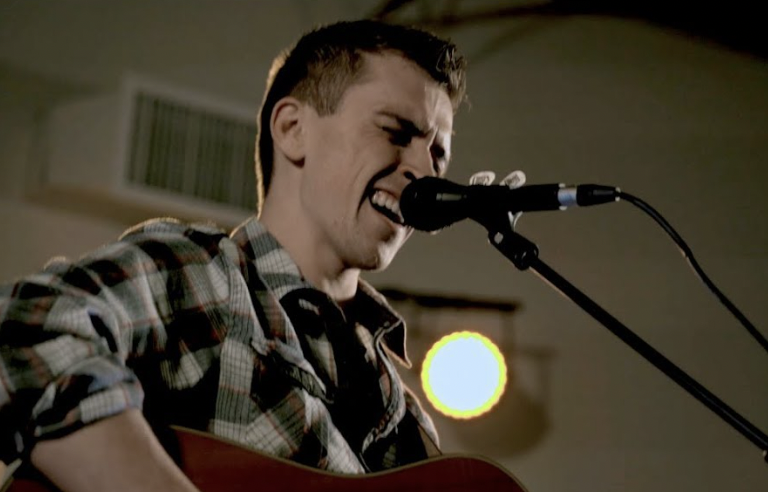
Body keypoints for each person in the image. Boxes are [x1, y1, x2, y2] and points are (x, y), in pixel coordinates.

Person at [0, 19, 466, 492]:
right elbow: (27, 328)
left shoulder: (406, 421)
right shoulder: (206, 278)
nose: (425, 171)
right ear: (292, 129)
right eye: (395, 132)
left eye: (438, 155)